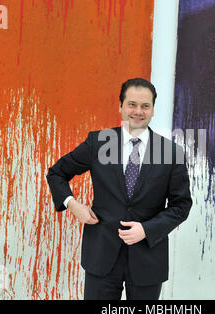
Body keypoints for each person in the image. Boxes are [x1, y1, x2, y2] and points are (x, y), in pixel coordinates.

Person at [46, 78, 192, 300]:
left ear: (153, 110)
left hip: (148, 259)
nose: (138, 111)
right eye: (132, 104)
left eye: (145, 106)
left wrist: (147, 229)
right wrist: (73, 205)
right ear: (121, 106)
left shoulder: (171, 153)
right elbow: (57, 173)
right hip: (101, 255)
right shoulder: (99, 143)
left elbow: (181, 205)